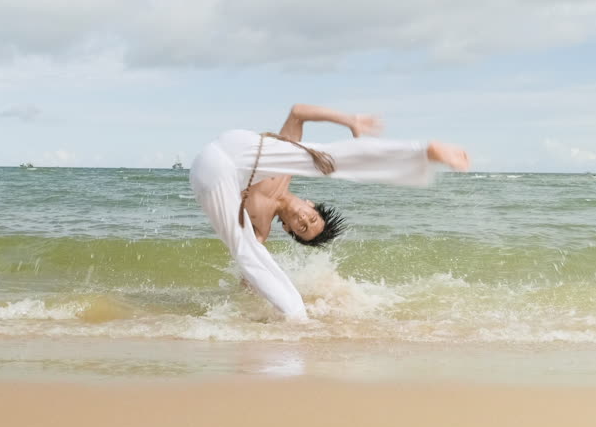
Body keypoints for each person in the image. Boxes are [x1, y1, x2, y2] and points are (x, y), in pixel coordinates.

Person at [189, 103, 471, 320]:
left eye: (302, 227)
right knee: (324, 158)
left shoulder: (259, 225)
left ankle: (295, 314)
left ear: (287, 229)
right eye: (311, 218)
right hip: (242, 146)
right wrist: (350, 120)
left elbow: (252, 270)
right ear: (310, 203)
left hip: (212, 175)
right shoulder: (284, 169)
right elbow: (298, 112)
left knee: (247, 249)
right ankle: (422, 151)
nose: (303, 219)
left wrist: (248, 294)